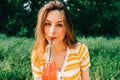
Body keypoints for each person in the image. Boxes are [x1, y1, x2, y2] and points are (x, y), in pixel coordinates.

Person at [31, 1, 90, 80]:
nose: (52, 31)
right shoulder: (37, 55)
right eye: (47, 24)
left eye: (59, 25)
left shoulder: (80, 51)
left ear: (67, 28)